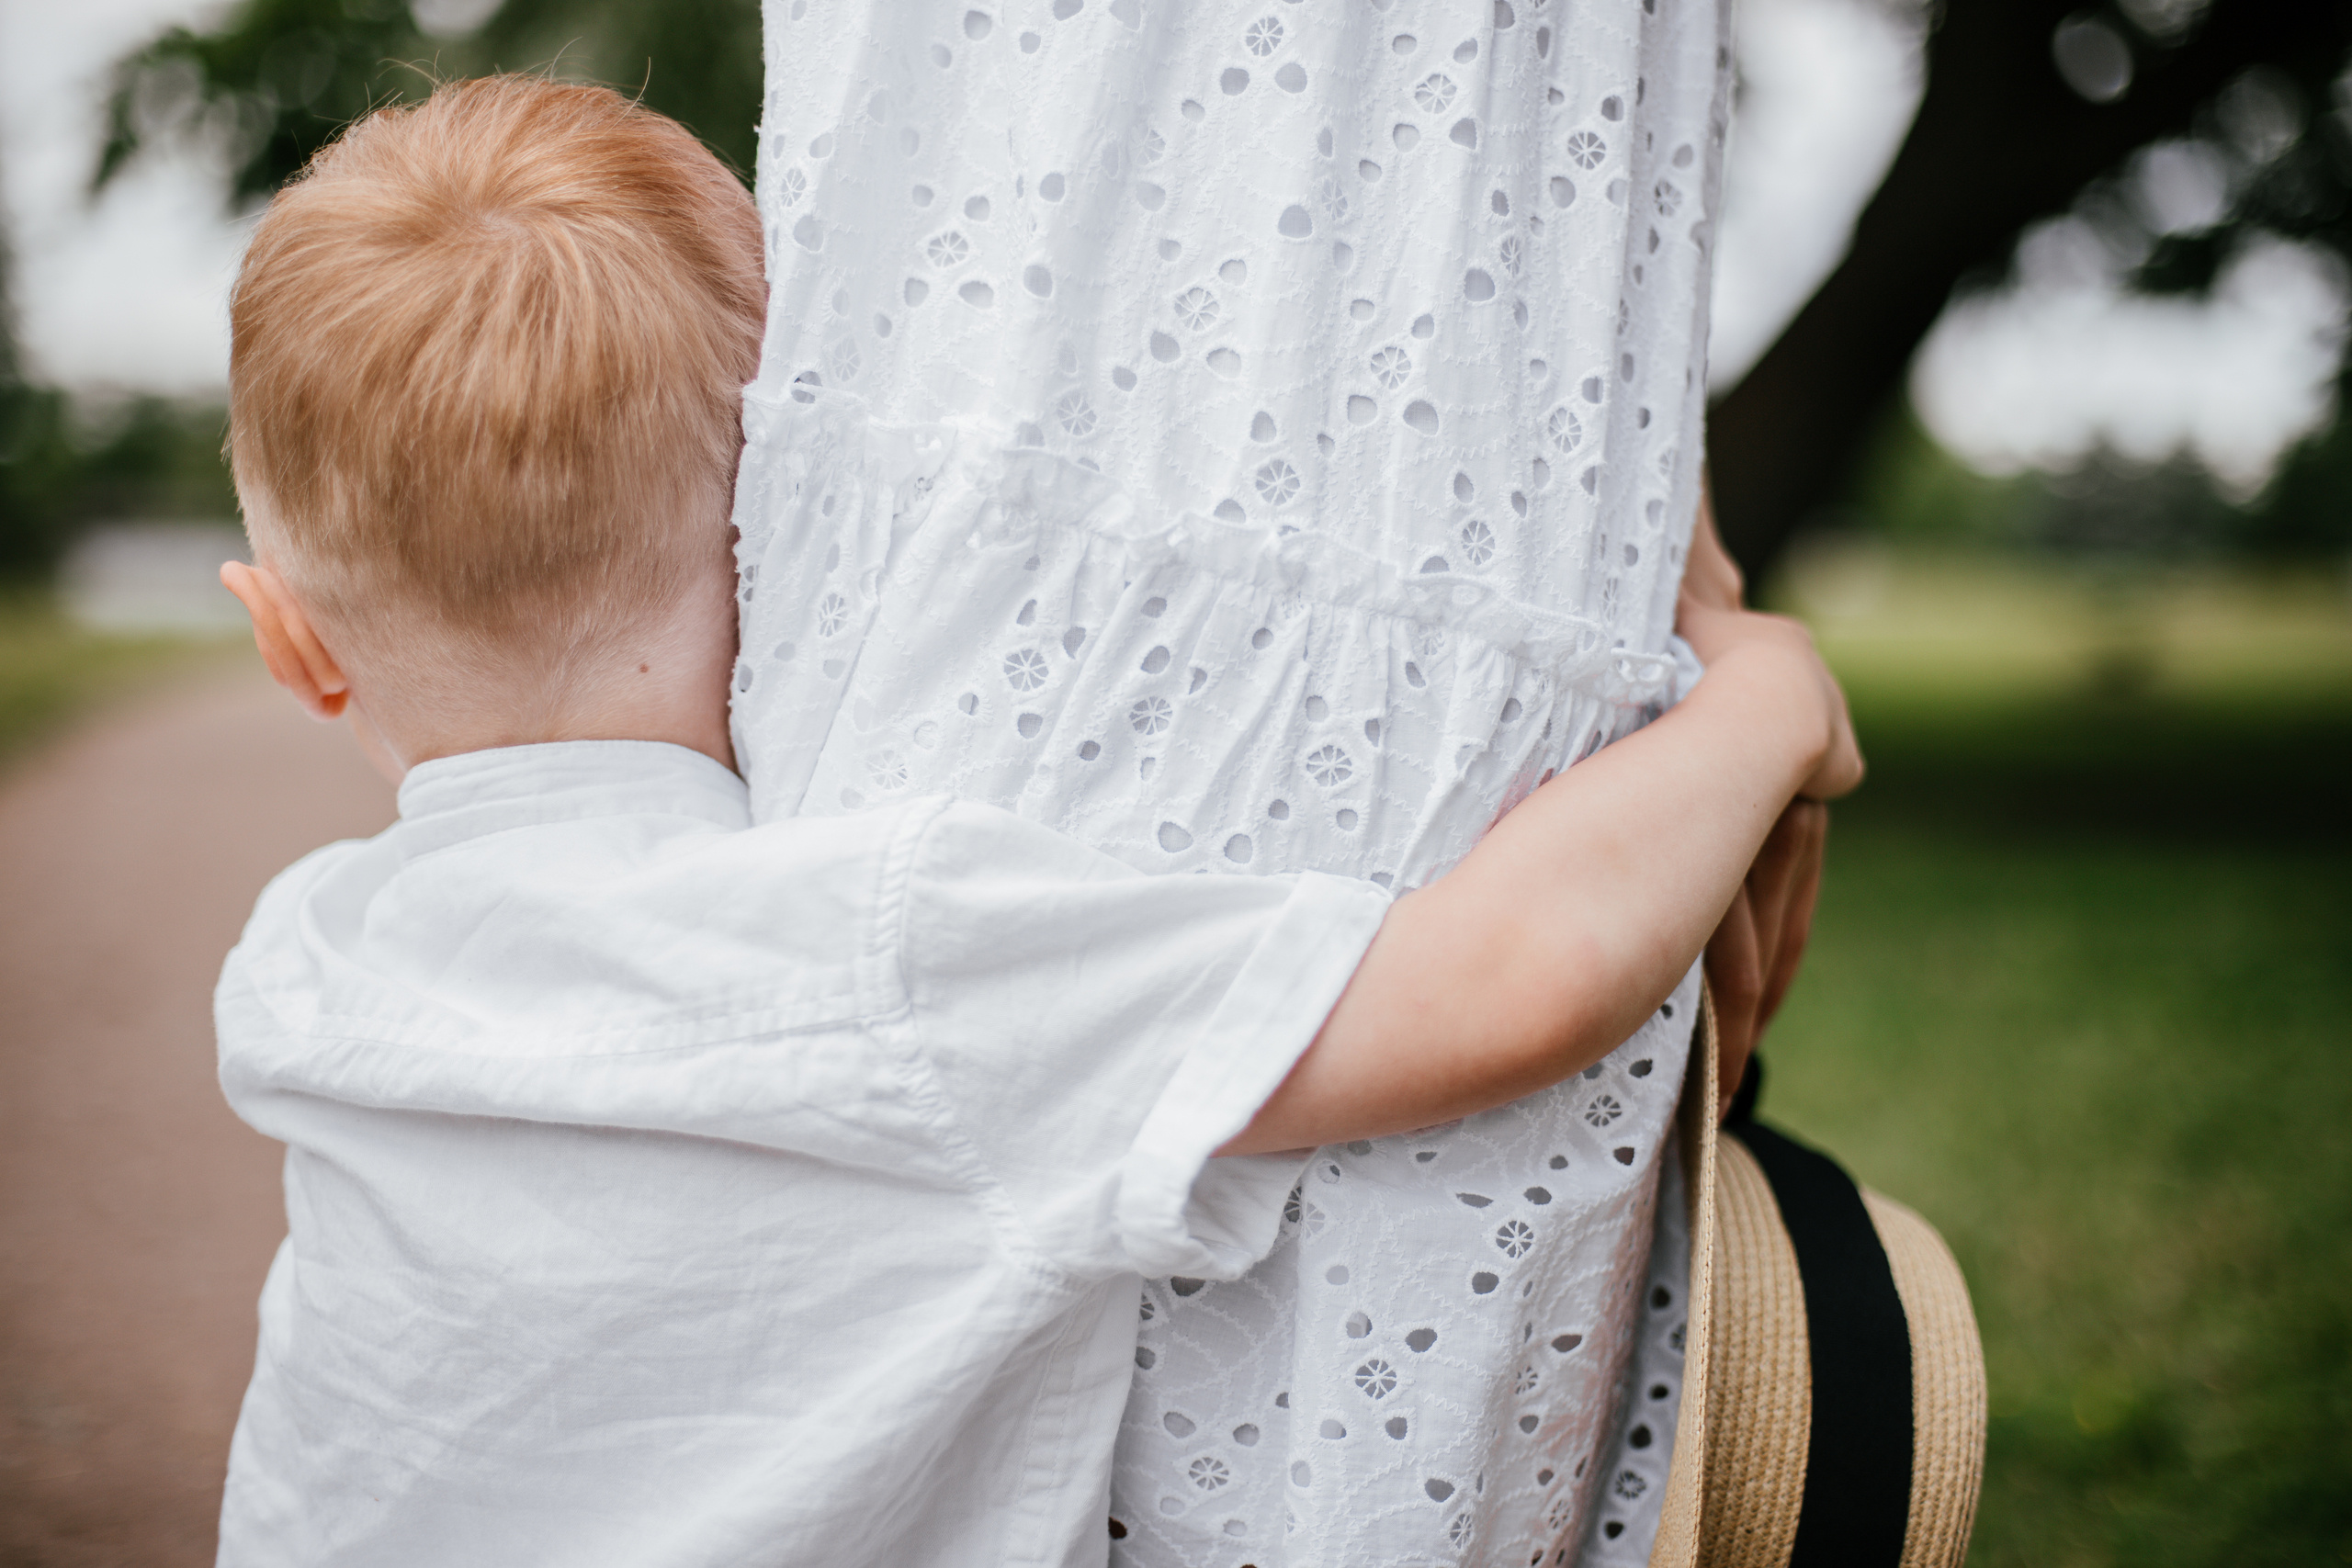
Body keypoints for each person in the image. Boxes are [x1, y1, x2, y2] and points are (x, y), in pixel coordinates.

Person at [208, 74, 1856, 1565]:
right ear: (802, 535)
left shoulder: (306, 964)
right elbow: (1515, 980)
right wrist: (1770, 698)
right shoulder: (881, 954)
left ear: (292, 642)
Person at [729, 1, 1828, 1560]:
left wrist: (1658, 493)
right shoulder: (920, 930)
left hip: (1472, 383)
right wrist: (1770, 704)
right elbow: (1513, 982)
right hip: (1137, 382)